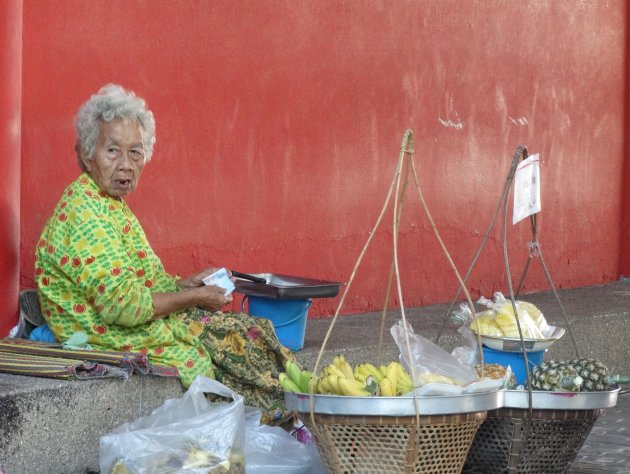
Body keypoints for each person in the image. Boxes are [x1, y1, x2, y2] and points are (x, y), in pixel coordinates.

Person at [34, 84, 295, 424]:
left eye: (135, 153)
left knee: (253, 332)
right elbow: (123, 306)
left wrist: (186, 284)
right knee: (235, 344)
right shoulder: (84, 212)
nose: (125, 165)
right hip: (106, 331)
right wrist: (193, 297)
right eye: (112, 151)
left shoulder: (110, 205)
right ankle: (277, 423)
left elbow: (144, 283)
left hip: (129, 321)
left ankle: (291, 417)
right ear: (86, 154)